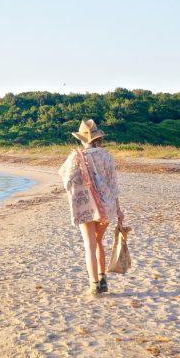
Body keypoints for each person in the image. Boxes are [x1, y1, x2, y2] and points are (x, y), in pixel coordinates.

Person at [58, 119, 123, 295]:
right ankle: (103, 280)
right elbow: (113, 184)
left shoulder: (75, 156)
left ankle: (94, 285)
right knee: (98, 241)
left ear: (82, 138)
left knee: (89, 244)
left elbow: (67, 178)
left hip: (86, 204)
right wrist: (118, 210)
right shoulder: (107, 156)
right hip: (107, 204)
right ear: (98, 137)